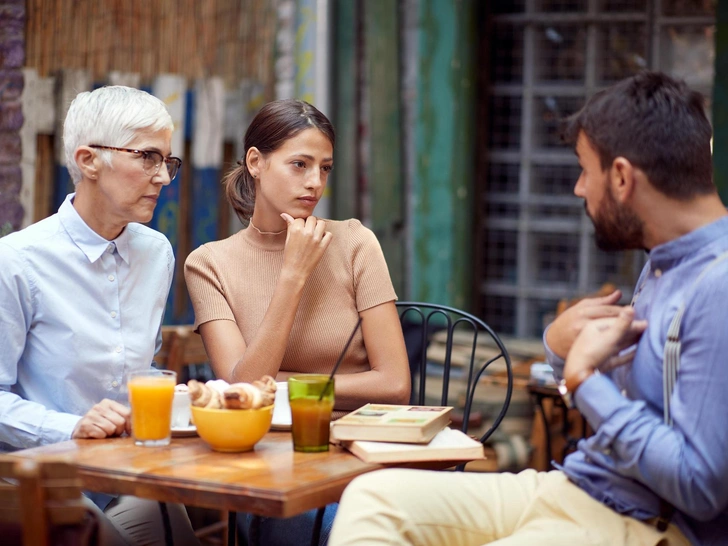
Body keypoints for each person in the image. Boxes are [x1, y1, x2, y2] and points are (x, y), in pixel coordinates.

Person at [328, 71, 728, 546]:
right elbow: (639, 399)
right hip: (579, 488)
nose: (580, 189)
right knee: (374, 499)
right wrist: (560, 353)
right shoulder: (662, 261)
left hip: (650, 524)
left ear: (621, 177)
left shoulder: (718, 286)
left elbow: (701, 486)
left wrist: (584, 381)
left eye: (585, 170)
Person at [184, 99, 411, 544]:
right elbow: (246, 391)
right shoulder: (209, 264)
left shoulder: (354, 242)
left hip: (360, 456)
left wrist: (286, 384)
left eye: (324, 168)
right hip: (270, 465)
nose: (314, 183)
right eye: (299, 165)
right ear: (256, 162)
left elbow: (394, 384)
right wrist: (292, 275)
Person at [0, 85, 199, 546]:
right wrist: (72, 426)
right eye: (147, 158)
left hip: (126, 473)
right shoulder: (17, 261)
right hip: (40, 482)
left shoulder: (156, 253)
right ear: (89, 160)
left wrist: (177, 398)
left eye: (167, 161)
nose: (164, 178)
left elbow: (138, 371)